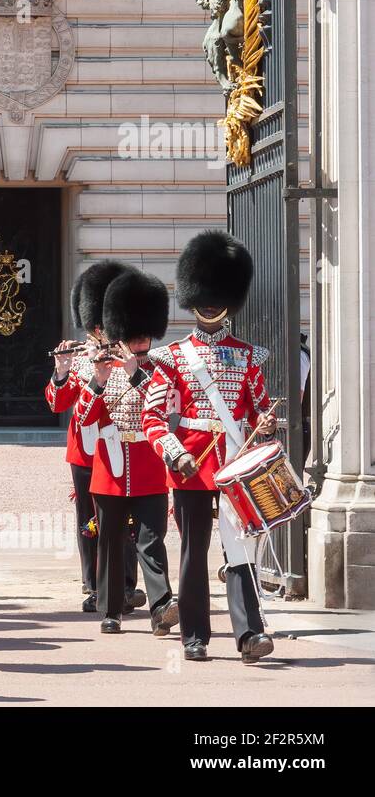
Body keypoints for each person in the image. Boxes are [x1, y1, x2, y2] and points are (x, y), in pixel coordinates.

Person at [142, 230, 276, 663]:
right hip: (191, 464)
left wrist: (267, 425)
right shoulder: (174, 357)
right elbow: (153, 418)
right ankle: (195, 635)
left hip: (234, 460)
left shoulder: (249, 356)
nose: (211, 304)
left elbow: (257, 410)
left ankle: (249, 633)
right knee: (194, 550)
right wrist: (174, 452)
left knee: (239, 547)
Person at [75, 269, 179, 637]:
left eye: (144, 335)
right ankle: (111, 609)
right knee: (110, 539)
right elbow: (83, 416)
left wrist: (137, 374)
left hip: (149, 465)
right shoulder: (107, 369)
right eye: (133, 336)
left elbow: (168, 406)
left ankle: (162, 604)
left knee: (152, 539)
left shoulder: (162, 369)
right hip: (111, 466)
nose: (139, 341)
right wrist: (98, 380)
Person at [47, 260, 143, 614]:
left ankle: (128, 584)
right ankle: (93, 584)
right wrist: (61, 370)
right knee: (90, 522)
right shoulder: (81, 357)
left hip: (120, 446)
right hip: (86, 452)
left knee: (125, 519)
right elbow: (59, 402)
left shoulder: (127, 355)